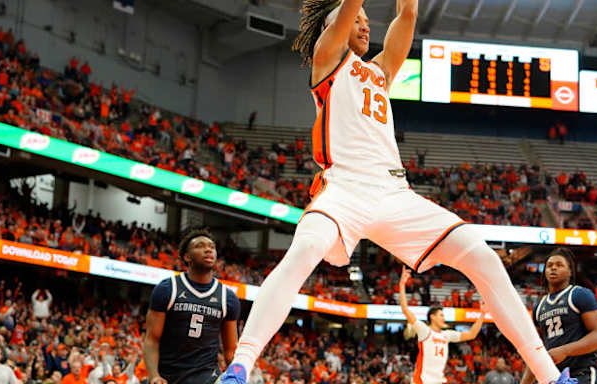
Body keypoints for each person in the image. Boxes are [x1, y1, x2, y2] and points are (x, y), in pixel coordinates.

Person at [216, 0, 574, 383]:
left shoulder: (380, 72)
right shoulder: (327, 59)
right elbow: (347, 8)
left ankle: (551, 377)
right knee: (303, 251)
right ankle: (240, 367)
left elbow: (407, 16)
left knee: (482, 255)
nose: (365, 25)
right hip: (345, 188)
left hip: (394, 193)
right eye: (356, 19)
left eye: (367, 20)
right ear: (331, 26)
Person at [144, 228, 240, 384]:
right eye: (200, 246)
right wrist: (154, 376)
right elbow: (151, 340)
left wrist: (238, 377)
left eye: (212, 247)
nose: (208, 250)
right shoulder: (167, 289)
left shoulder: (228, 297)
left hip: (208, 377)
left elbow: (230, 351)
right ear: (187, 257)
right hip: (169, 376)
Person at [521, 248, 597, 384]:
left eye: (559, 265)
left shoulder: (579, 294)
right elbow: (536, 351)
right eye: (549, 265)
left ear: (570, 271)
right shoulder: (539, 307)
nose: (553, 268)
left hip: (581, 373)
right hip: (554, 377)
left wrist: (565, 351)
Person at [398, 268, 484, 384]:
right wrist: (402, 284)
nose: (443, 318)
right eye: (441, 315)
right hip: (422, 381)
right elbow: (405, 309)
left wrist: (482, 314)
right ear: (432, 317)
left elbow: (471, 335)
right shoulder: (425, 331)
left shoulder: (446, 335)